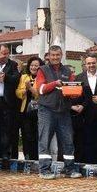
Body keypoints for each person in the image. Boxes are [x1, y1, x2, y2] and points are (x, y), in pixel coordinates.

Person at [35, 45, 82, 179]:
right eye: (53, 55)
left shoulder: (68, 70)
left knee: (68, 141)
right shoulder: (42, 70)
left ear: (61, 55)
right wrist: (55, 83)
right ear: (48, 56)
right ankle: (44, 170)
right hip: (47, 110)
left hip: (63, 111)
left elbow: (72, 89)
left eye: (57, 55)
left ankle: (70, 169)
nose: (55, 57)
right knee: (44, 141)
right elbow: (41, 89)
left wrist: (74, 93)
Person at [75, 54, 97, 164]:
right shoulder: (79, 77)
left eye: (93, 63)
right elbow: (78, 97)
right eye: (89, 63)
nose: (91, 65)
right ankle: (89, 167)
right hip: (86, 115)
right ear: (85, 64)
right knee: (87, 142)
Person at [16, 57, 42, 160]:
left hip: (39, 111)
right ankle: (27, 158)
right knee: (27, 136)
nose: (33, 67)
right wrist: (25, 91)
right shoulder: (24, 77)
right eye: (32, 65)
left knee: (37, 136)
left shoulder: (42, 78)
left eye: (36, 65)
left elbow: (40, 95)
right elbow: (17, 92)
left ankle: (36, 158)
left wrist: (31, 88)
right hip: (25, 110)